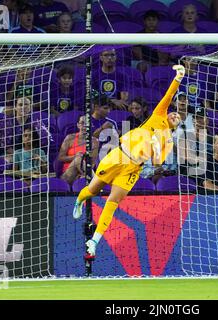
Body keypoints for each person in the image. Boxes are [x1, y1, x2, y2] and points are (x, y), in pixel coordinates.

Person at [73, 65, 185, 259]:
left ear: (177, 126)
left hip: (133, 168)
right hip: (118, 155)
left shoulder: (167, 140)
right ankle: (79, 200)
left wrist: (157, 150)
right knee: (93, 190)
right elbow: (169, 95)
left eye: (178, 118)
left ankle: (94, 242)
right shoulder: (158, 115)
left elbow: (158, 163)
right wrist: (179, 77)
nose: (175, 115)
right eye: (174, 113)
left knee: (113, 201)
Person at [59, 116, 99, 185]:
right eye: (82, 123)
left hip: (82, 175)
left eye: (87, 123)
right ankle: (95, 182)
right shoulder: (70, 138)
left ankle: (88, 177)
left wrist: (82, 175)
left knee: (80, 160)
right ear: (78, 125)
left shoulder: (95, 141)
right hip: (67, 175)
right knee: (78, 158)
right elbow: (61, 157)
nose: (84, 126)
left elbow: (92, 163)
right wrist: (74, 157)